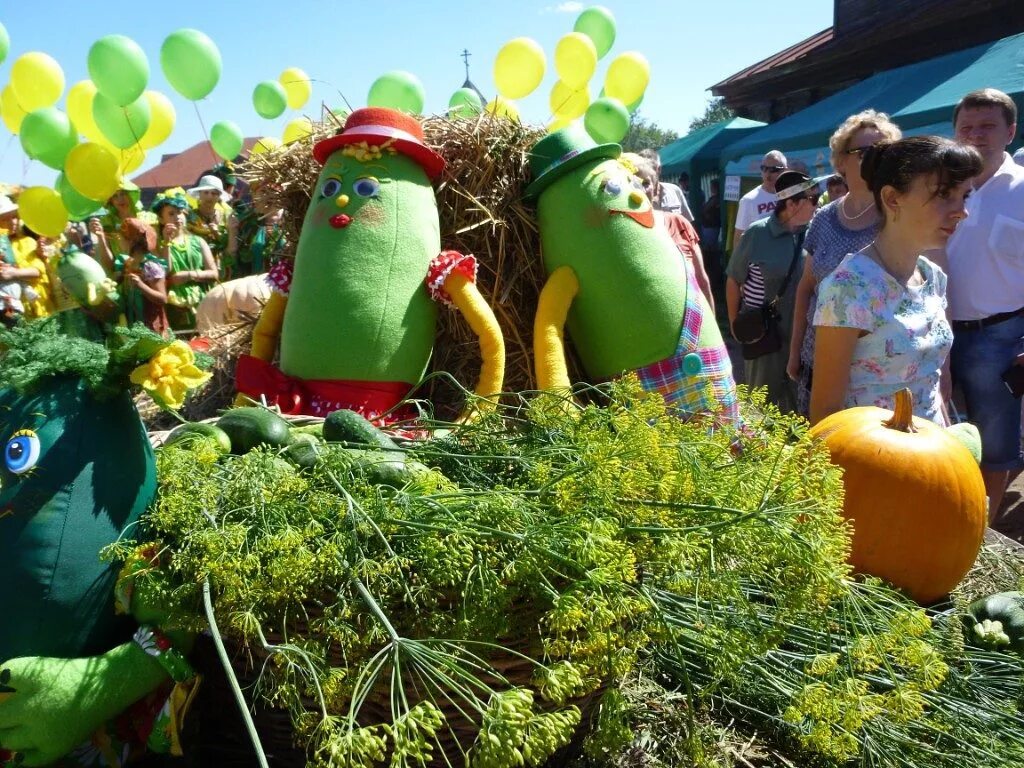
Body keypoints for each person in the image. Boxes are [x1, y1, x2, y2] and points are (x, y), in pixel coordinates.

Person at [811, 136, 981, 429]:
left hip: (934, 455)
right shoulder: (848, 289)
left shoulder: (932, 278)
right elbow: (826, 415)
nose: (961, 211)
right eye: (944, 194)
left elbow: (932, 384)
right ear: (892, 199)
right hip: (874, 466)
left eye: (963, 196)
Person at [788, 110, 903, 416]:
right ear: (841, 160)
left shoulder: (898, 217)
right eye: (864, 151)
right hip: (819, 357)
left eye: (883, 151)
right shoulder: (824, 218)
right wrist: (795, 350)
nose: (875, 158)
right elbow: (806, 288)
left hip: (877, 366)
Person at [945, 88, 1024, 519]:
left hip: (1000, 337)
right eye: (967, 128)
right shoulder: (943, 187)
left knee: (996, 447)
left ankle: (983, 534)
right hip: (936, 333)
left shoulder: (1023, 191)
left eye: (987, 126)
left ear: (1010, 131)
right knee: (940, 436)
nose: (976, 135)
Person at [727, 170, 816, 413]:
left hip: (800, 335)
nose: (818, 205)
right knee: (761, 402)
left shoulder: (810, 234)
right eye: (813, 199)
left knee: (797, 402)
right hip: (764, 334)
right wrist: (735, 322)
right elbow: (734, 279)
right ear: (792, 204)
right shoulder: (757, 233)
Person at [626, 153, 715, 311]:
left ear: (655, 187)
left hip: (690, 315)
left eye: (646, 183)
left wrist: (714, 329)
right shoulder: (623, 233)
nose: (641, 189)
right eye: (635, 183)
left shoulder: (679, 223)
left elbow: (702, 280)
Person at [152, 191, 218, 331]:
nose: (177, 217)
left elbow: (214, 274)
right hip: (174, 307)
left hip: (203, 302)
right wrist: (166, 243)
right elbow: (165, 271)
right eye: (171, 214)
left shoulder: (198, 241)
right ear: (161, 219)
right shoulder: (157, 245)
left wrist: (189, 275)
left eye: (180, 212)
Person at [0, 195, 52, 319]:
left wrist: (14, 273)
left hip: (32, 308)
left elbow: (38, 271)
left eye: (15, 217)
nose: (13, 222)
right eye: (5, 219)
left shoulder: (27, 241)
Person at [91, 181, 155, 273]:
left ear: (131, 195)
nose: (120, 199)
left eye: (123, 194)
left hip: (149, 274)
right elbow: (109, 265)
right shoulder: (107, 224)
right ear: (111, 201)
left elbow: (156, 254)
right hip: (124, 278)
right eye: (115, 196)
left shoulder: (147, 219)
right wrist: (101, 237)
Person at [119, 218, 169, 335]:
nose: (119, 242)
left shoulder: (150, 266)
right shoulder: (128, 264)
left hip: (152, 329)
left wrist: (141, 285)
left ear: (132, 241)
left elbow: (163, 298)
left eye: (121, 239)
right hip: (134, 326)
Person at [733, 150, 787, 246]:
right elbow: (739, 239)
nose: (767, 174)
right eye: (764, 168)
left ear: (785, 170)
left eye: (773, 169)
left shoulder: (793, 195)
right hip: (761, 259)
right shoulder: (749, 200)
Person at [186, 174, 234, 277]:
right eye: (206, 192)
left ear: (219, 196)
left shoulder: (226, 216)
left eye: (214, 193)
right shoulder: (189, 217)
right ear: (199, 194)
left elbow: (231, 243)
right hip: (196, 264)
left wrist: (217, 234)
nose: (209, 196)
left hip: (222, 265)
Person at [638, 148, 694, 222]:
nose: (648, 175)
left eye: (651, 170)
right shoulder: (636, 195)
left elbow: (688, 223)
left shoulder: (674, 190)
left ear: (659, 169)